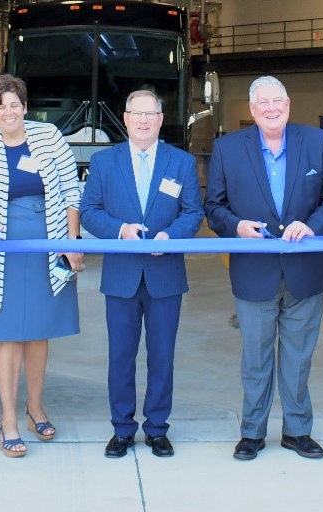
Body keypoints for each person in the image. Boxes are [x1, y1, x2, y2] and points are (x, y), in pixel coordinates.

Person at [204, 75, 323, 461]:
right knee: (256, 358)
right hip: (254, 272)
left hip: (306, 272)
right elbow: (213, 206)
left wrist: (313, 225)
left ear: (289, 104)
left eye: (277, 101)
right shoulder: (227, 148)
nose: (271, 108)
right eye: (262, 103)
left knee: (298, 359)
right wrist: (235, 226)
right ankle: (252, 432)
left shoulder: (315, 142)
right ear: (252, 110)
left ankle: (297, 431)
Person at [0, 74, 84, 458]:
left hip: (48, 244)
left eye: (15, 104)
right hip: (2, 252)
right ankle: (8, 419)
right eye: (1, 106)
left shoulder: (49, 137)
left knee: (38, 331)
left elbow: (70, 190)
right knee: (9, 333)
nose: (9, 111)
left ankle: (35, 408)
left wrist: (71, 241)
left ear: (26, 108)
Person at [80, 89, 204, 459]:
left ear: (161, 120)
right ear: (126, 118)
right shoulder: (104, 162)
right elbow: (89, 211)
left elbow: (193, 212)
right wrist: (120, 230)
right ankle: (122, 429)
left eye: (152, 114)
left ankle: (156, 428)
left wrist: (172, 235)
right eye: (137, 113)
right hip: (121, 275)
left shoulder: (181, 162)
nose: (144, 120)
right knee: (121, 355)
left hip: (166, 274)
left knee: (162, 355)